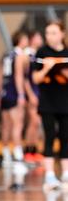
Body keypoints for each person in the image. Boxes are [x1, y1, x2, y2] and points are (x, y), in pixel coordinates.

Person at [31, 21, 68, 191]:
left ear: (62, 34)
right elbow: (35, 78)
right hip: (47, 102)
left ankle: (66, 173)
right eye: (47, 33)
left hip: (65, 101)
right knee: (49, 135)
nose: (49, 36)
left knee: (65, 137)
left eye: (53, 33)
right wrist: (46, 69)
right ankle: (50, 175)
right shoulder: (42, 52)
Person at [0, 31, 28, 166]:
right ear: (20, 40)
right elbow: (19, 76)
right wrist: (21, 94)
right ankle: (18, 154)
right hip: (14, 92)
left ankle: (5, 153)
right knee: (17, 124)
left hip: (5, 92)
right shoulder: (19, 56)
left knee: (6, 126)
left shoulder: (6, 56)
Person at [23, 30, 43, 163]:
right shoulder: (27, 55)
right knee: (33, 121)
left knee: (36, 123)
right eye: (38, 37)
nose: (40, 39)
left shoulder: (37, 55)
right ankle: (28, 150)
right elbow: (24, 78)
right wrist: (30, 94)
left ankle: (34, 150)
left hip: (39, 92)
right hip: (31, 92)